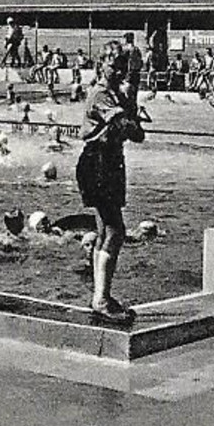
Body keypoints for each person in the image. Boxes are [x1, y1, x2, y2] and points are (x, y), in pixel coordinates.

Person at [75, 53, 147, 326]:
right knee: (116, 231)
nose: (118, 72)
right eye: (113, 66)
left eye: (122, 68)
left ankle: (100, 294)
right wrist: (132, 119)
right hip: (99, 163)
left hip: (108, 162)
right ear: (100, 65)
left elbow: (131, 126)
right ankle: (101, 299)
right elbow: (130, 128)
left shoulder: (114, 94)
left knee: (105, 230)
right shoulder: (101, 94)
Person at [120, 32, 145, 101]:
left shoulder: (126, 50)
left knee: (127, 95)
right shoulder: (137, 50)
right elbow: (141, 62)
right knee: (134, 95)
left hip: (129, 74)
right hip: (136, 74)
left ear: (126, 39)